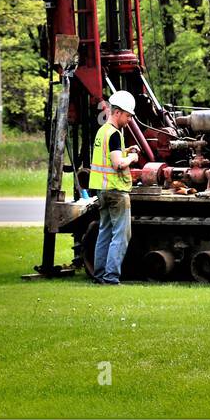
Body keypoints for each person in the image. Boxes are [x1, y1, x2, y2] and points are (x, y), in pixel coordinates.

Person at [89, 90, 140, 284]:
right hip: (116, 191)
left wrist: (126, 151)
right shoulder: (115, 134)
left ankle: (99, 275)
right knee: (121, 235)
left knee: (105, 232)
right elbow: (118, 164)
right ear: (117, 112)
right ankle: (111, 278)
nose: (128, 120)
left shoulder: (103, 132)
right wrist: (133, 157)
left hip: (101, 189)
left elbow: (110, 156)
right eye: (127, 116)